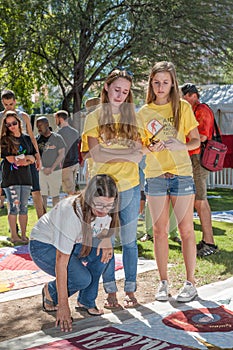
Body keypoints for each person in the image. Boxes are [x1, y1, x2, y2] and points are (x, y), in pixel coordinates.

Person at [137, 61, 200, 302]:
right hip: (155, 177)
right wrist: (150, 146)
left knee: (186, 230)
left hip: (182, 175)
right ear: (151, 84)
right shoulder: (143, 113)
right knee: (159, 231)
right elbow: (140, 147)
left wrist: (182, 145)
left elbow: (196, 140)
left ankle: (190, 283)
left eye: (165, 82)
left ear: (172, 83)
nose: (160, 86)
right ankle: (163, 283)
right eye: (156, 82)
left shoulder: (182, 107)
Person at [82, 69, 143, 309]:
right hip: (103, 188)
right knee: (105, 240)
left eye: (125, 91)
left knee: (129, 242)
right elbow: (96, 153)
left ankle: (130, 288)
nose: (120, 94)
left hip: (129, 186)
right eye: (116, 89)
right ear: (107, 87)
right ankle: (110, 292)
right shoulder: (93, 117)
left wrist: (113, 153)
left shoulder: (134, 118)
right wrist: (126, 153)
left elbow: (138, 156)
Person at [29, 174, 119, 332]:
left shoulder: (105, 207)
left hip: (75, 243)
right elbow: (61, 262)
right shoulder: (70, 213)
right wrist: (63, 306)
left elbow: (104, 226)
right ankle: (50, 292)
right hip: (43, 246)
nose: (104, 210)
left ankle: (86, 301)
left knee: (105, 254)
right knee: (81, 278)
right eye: (99, 205)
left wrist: (106, 239)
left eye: (108, 206)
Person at [181, 83, 218, 257]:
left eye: (183, 97)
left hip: (199, 157)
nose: (181, 101)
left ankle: (209, 242)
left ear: (192, 95)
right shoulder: (195, 110)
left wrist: (181, 142)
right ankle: (206, 240)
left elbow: (202, 136)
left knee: (200, 200)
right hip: (195, 157)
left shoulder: (201, 110)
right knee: (198, 199)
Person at [0, 89, 45, 218]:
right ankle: (14, 225)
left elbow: (32, 138)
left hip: (28, 157)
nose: (9, 107)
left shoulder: (23, 116)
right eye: (5, 104)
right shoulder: (1, 117)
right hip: (10, 159)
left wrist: (37, 157)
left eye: (11, 104)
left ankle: (42, 223)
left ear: (15, 102)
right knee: (11, 192)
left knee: (36, 190)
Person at [0, 111, 37, 243]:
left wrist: (26, 159)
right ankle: (14, 236)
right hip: (11, 179)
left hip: (26, 178)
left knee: (24, 208)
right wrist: (23, 160)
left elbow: (33, 157)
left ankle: (23, 235)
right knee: (14, 207)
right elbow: (10, 159)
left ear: (19, 123)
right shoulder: (5, 140)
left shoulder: (26, 138)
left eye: (14, 123)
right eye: (8, 124)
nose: (12, 126)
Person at [36, 116, 66, 209]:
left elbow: (61, 154)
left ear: (47, 124)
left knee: (55, 195)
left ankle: (55, 217)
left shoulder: (57, 138)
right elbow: (36, 156)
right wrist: (43, 168)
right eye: (37, 126)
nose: (38, 128)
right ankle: (44, 217)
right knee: (43, 195)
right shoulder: (37, 139)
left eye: (40, 125)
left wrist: (52, 168)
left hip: (55, 171)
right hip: (41, 171)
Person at [54, 110, 80, 195]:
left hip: (66, 165)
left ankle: (72, 207)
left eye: (56, 119)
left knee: (70, 191)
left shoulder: (58, 133)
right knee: (73, 188)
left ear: (60, 119)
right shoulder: (75, 132)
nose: (55, 121)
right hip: (75, 163)